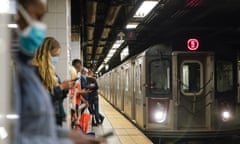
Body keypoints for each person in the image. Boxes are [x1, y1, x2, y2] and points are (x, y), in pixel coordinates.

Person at [12, 0, 105, 143]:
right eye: (37, 17)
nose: (40, 26)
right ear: (15, 13)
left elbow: (39, 126)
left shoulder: (27, 70)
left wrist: (68, 135)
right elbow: (17, 133)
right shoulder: (14, 73)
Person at [32, 37, 72, 126]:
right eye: (54, 56)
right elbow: (39, 100)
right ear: (45, 54)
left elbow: (56, 97)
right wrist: (61, 87)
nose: (56, 59)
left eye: (58, 56)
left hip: (54, 118)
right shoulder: (34, 72)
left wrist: (65, 89)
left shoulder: (51, 74)